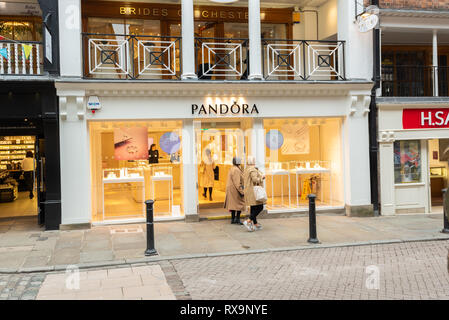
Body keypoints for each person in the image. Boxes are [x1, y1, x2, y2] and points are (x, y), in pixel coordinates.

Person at [243, 155, 266, 232]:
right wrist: (262, 178)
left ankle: (255, 224)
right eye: (254, 160)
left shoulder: (246, 169)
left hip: (249, 191)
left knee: (253, 207)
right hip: (253, 191)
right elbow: (255, 180)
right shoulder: (252, 170)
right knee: (260, 207)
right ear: (252, 162)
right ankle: (248, 221)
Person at [224, 156, 245, 225]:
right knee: (240, 204)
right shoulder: (236, 170)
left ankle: (233, 219)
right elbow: (237, 182)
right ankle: (237, 219)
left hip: (231, 189)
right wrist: (242, 191)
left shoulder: (232, 168)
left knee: (233, 205)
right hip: (235, 189)